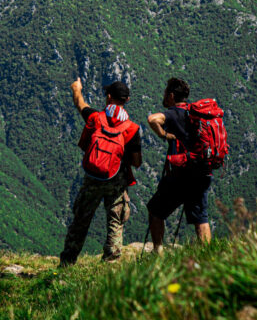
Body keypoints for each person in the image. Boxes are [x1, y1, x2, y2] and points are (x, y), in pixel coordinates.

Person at [60, 77, 142, 266]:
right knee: (115, 221)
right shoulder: (131, 129)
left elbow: (80, 104)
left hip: (93, 178)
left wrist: (76, 89)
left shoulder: (96, 118)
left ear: (108, 97)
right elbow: (137, 162)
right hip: (117, 180)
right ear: (127, 100)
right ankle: (110, 263)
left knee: (81, 219)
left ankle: (67, 261)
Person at [146, 77, 212, 251]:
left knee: (155, 210)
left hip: (181, 176)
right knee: (201, 218)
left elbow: (152, 119)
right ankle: (208, 255)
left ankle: (158, 252)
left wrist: (164, 135)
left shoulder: (174, 113)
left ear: (172, 96)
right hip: (202, 172)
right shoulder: (197, 113)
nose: (164, 96)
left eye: (166, 93)